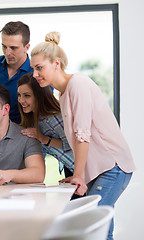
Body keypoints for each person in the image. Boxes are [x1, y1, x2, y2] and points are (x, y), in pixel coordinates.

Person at [30, 31, 136, 240]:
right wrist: (78, 175)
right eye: (34, 69)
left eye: (39, 68)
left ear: (56, 63)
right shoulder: (62, 93)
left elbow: (82, 135)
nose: (35, 74)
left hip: (113, 166)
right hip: (100, 169)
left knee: (93, 226)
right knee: (101, 230)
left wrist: (78, 175)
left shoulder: (78, 84)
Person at [17, 73, 74, 175]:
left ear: (39, 96)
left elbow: (73, 145)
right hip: (71, 167)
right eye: (19, 95)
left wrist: (44, 139)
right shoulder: (34, 120)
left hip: (91, 169)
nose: (21, 100)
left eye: (27, 95)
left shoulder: (54, 117)